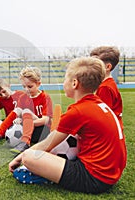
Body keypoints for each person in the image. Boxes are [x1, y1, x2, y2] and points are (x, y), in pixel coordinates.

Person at [8, 57, 127, 194]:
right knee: (70, 136)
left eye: (65, 79)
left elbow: (47, 144)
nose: (63, 83)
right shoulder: (98, 104)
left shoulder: (78, 111)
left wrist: (20, 157)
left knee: (29, 157)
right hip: (111, 174)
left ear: (74, 83)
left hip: (94, 178)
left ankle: (48, 176)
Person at [0, 66, 53, 153]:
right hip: (27, 129)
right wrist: (19, 119)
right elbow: (16, 114)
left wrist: (26, 122)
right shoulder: (23, 97)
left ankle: (25, 143)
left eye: (30, 86)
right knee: (18, 111)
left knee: (26, 111)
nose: (26, 89)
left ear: (38, 84)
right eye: (24, 86)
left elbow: (45, 120)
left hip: (42, 131)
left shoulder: (45, 97)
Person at [90, 46, 123, 128]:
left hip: (109, 132)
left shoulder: (105, 87)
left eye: (95, 65)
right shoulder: (107, 84)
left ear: (108, 67)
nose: (90, 67)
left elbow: (102, 116)